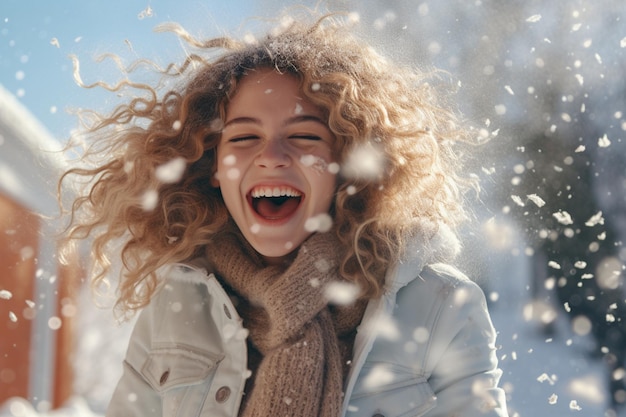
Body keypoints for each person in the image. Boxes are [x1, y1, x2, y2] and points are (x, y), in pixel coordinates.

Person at [60, 10, 509, 417]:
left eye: (305, 137)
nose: (272, 156)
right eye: (242, 138)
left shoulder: (440, 305)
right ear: (213, 167)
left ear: (345, 163)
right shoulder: (176, 308)